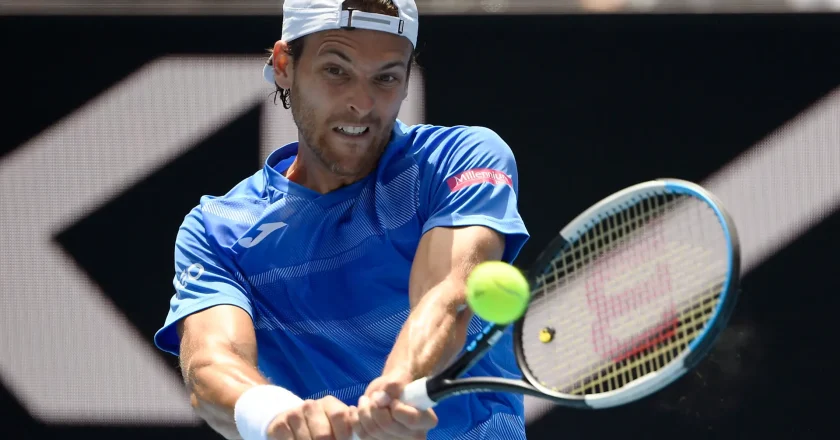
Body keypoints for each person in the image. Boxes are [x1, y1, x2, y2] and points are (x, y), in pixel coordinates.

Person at [153, 0, 530, 439]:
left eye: (386, 77)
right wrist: (274, 414)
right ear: (283, 66)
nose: (362, 103)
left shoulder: (458, 159)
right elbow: (211, 362)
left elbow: (448, 292)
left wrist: (396, 387)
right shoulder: (216, 230)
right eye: (336, 71)